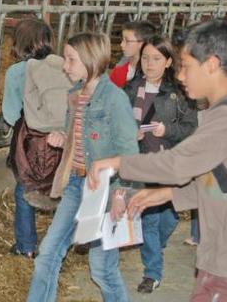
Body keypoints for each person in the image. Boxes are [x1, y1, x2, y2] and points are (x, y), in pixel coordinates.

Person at [89, 21, 227, 302]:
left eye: (185, 66)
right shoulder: (226, 112)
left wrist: (117, 163)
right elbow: (223, 184)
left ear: (211, 64)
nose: (180, 75)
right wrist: (166, 194)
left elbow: (177, 165)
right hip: (221, 259)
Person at [26, 32, 139, 302]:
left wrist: (122, 195)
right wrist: (64, 139)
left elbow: (130, 153)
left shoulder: (114, 99)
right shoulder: (75, 94)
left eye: (71, 59)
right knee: (48, 255)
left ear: (90, 60)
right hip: (77, 186)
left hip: (107, 191)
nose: (65, 66)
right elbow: (80, 140)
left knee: (102, 270)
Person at [121, 35, 197, 293]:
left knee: (169, 216)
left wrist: (168, 131)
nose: (149, 64)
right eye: (145, 58)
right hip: (142, 163)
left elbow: (191, 128)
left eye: (156, 58)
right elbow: (119, 121)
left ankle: (154, 245)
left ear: (167, 62)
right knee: (149, 219)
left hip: (170, 163)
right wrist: (130, 132)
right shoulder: (131, 88)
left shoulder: (180, 92)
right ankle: (152, 273)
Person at [2, 18, 57, 259]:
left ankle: (26, 245)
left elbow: (10, 113)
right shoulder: (61, 66)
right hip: (62, 137)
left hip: (31, 139)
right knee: (63, 187)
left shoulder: (16, 72)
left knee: (25, 189)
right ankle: (65, 240)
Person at [110, 21, 157, 87]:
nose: (121, 44)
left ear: (142, 43)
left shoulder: (157, 73)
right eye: (122, 40)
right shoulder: (118, 72)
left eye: (127, 41)